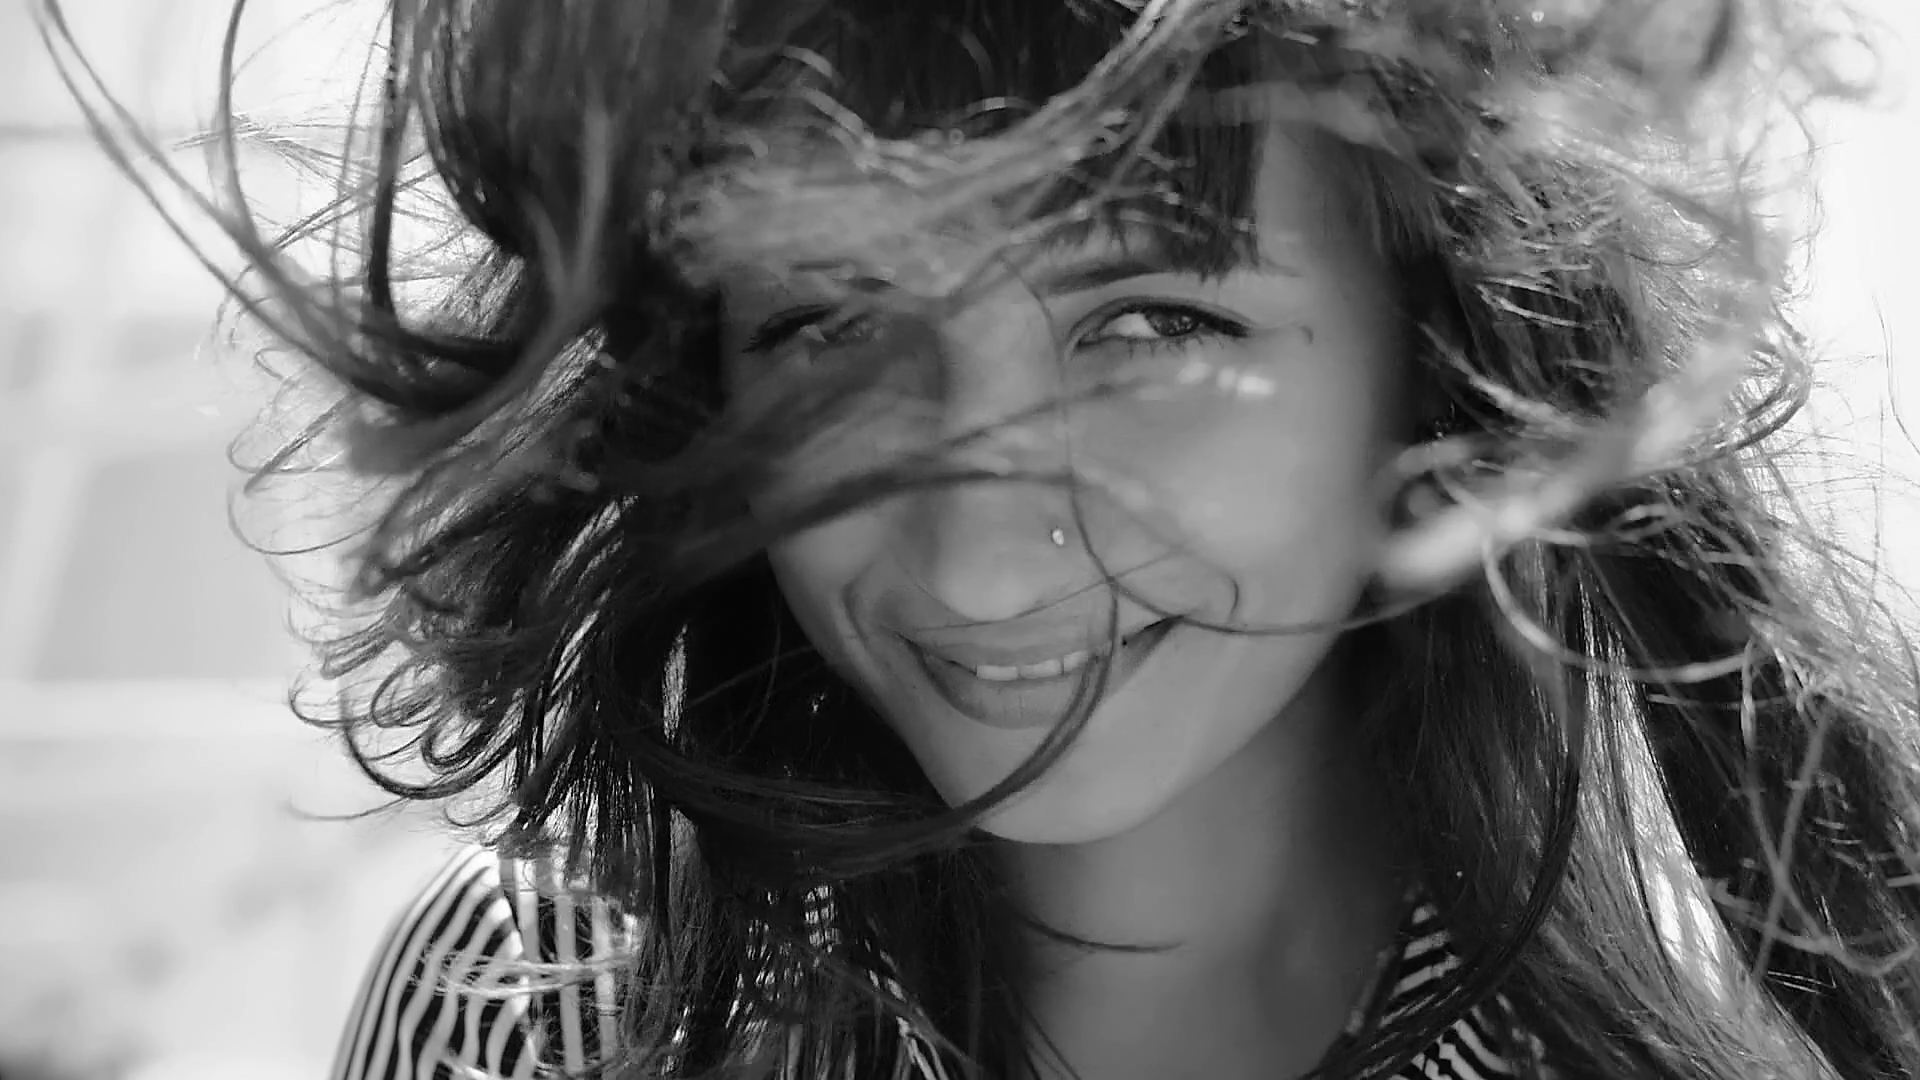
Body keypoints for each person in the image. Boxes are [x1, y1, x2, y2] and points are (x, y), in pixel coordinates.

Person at [39, 0, 1920, 1076]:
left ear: (1436, 359)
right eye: (833, 327)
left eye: (1151, 325)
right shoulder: (542, 1010)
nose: (976, 562)